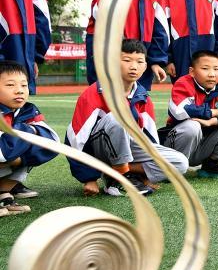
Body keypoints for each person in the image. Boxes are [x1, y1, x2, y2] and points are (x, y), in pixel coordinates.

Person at [65, 39, 188, 197]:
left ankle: (118, 171)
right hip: (98, 150)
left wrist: (146, 174)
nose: (133, 66)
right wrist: (88, 177)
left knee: (180, 163)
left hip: (129, 148)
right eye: (127, 60)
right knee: (120, 117)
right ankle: (118, 178)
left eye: (140, 61)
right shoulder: (95, 92)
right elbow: (74, 138)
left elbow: (149, 138)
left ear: (145, 66)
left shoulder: (143, 96)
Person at [162, 51, 218, 179]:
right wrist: (214, 112)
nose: (212, 74)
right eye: (205, 69)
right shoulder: (183, 83)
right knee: (192, 126)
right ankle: (171, 170)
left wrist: (214, 121)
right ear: (192, 71)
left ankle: (211, 165)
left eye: (216, 69)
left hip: (203, 146)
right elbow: (179, 111)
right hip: (178, 144)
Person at [0, 60, 58, 215]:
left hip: (6, 158)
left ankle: (3, 194)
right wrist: (29, 132)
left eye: (24, 85)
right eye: (10, 85)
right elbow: (2, 153)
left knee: (35, 145)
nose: (19, 91)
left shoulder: (27, 111)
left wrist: (29, 131)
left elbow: (53, 142)